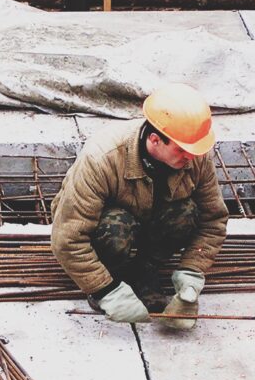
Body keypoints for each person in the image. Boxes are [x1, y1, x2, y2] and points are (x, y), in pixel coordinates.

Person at [51, 83, 228, 330]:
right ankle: (113, 274)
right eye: (182, 150)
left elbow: (213, 221)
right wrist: (104, 289)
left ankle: (146, 268)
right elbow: (67, 238)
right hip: (111, 230)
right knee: (116, 227)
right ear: (155, 140)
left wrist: (192, 273)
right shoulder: (102, 158)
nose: (190, 156)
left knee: (185, 213)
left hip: (150, 223)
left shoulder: (193, 154)